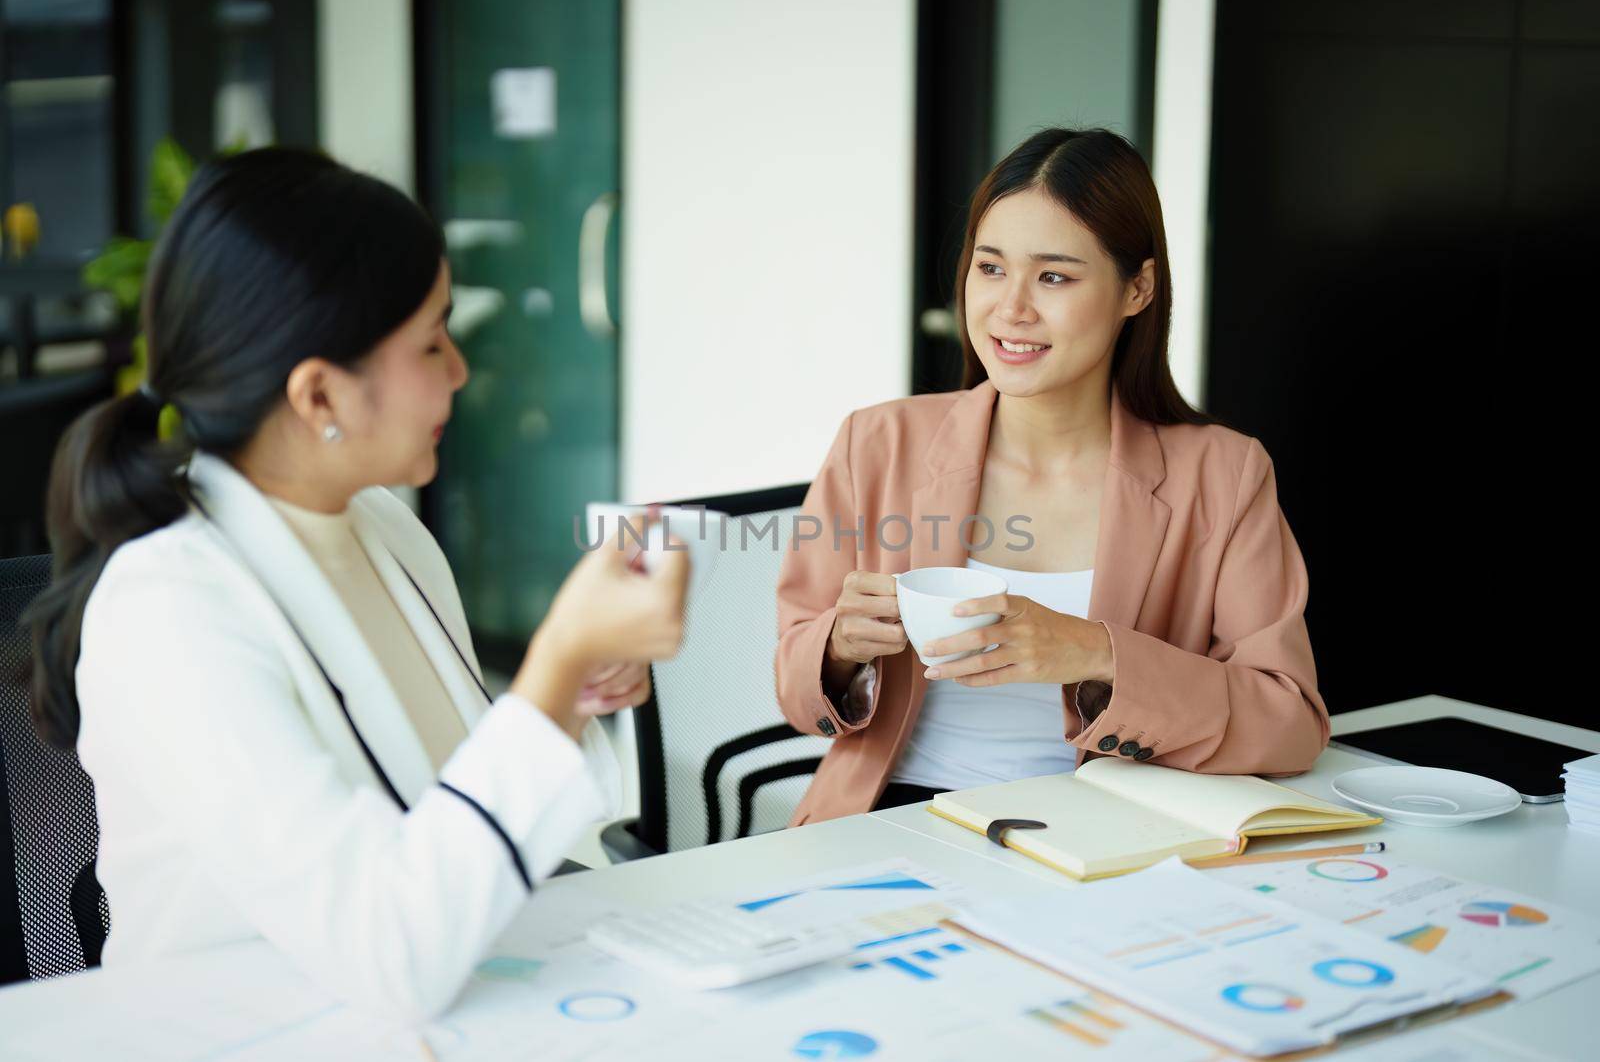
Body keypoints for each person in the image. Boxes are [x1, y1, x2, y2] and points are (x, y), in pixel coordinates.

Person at [24, 148, 686, 1021]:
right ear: (320, 395)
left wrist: (575, 692)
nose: (460, 368)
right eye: (430, 341)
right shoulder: (168, 606)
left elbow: (451, 811)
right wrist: (554, 665)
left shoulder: (384, 528)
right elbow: (387, 944)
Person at [775, 128, 1327, 825]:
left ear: (1138, 287)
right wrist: (836, 648)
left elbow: (1290, 722)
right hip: (889, 819)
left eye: (1055, 276)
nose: (1011, 309)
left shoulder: (1222, 474)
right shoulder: (876, 443)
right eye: (991, 268)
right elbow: (794, 690)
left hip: (1104, 835)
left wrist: (1094, 651)